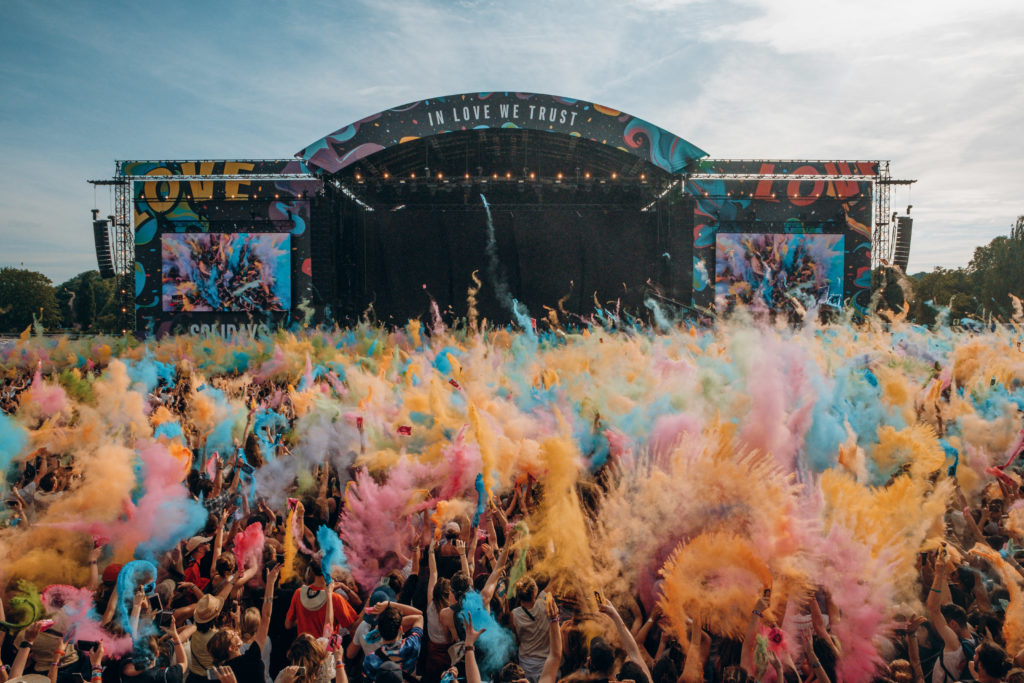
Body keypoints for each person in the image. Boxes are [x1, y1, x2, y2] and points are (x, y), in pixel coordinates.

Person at [285, 562, 358, 639]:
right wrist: (365, 608)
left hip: (305, 645)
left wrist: (305, 618)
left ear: (312, 570)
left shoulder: (299, 593)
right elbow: (353, 627)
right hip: (327, 646)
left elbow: (288, 625)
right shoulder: (335, 598)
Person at [362, 601, 425, 682]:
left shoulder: (370, 659)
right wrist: (389, 604)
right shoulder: (412, 645)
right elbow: (419, 617)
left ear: (379, 631)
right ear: (400, 629)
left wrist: (385, 625)